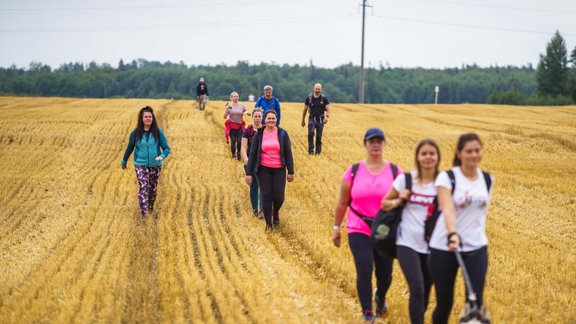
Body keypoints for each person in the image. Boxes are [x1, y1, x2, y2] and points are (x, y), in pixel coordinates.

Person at [331, 128, 403, 323]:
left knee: (385, 274)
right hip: (358, 227)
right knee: (364, 268)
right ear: (365, 144)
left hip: (384, 229)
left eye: (380, 141)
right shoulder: (353, 171)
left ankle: (380, 296)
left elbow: (405, 202)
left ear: (384, 144)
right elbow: (342, 202)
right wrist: (336, 228)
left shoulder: (396, 173)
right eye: (372, 141)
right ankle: (367, 312)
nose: (376, 145)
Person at [428, 133, 494, 324]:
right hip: (444, 246)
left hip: (476, 246)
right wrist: (452, 234)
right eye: (469, 151)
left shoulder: (488, 180)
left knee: (475, 302)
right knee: (444, 303)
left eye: (477, 150)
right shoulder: (447, 177)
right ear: (459, 153)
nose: (474, 155)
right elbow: (447, 208)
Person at [381, 139, 441, 324]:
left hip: (433, 245)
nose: (428, 157)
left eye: (432, 153)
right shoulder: (405, 180)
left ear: (438, 157)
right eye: (424, 153)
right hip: (406, 242)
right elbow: (384, 204)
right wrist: (399, 200)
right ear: (417, 157)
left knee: (426, 292)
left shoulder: (444, 183)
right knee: (417, 288)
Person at [245, 110, 294, 230]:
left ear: (276, 120)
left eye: (273, 118)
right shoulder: (259, 134)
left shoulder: (282, 133)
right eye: (268, 118)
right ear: (264, 120)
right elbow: (252, 154)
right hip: (263, 169)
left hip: (279, 169)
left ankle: (275, 212)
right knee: (266, 196)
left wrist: (291, 171)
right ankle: (268, 224)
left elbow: (288, 153)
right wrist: (248, 173)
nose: (271, 121)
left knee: (279, 197)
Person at [121, 106, 171, 217]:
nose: (148, 118)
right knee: (144, 187)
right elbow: (130, 148)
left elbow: (167, 148)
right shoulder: (135, 133)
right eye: (146, 117)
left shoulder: (158, 132)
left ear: (153, 118)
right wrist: (124, 161)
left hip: (155, 165)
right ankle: (144, 214)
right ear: (141, 118)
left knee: (152, 190)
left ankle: (150, 207)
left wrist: (162, 156)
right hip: (140, 164)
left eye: (150, 117)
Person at [241, 108, 264, 217]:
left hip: (263, 162)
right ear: (252, 117)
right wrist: (245, 158)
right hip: (251, 162)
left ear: (262, 117)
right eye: (256, 116)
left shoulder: (265, 130)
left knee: (263, 186)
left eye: (259, 116)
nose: (257, 118)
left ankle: (262, 210)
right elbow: (243, 147)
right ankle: (255, 209)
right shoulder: (248, 131)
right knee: (254, 186)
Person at [301, 83, 331, 155]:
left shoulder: (324, 98)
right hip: (311, 118)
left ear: (321, 90)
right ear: (313, 89)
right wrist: (303, 120)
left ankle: (318, 153)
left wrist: (327, 117)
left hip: (321, 119)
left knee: (319, 136)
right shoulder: (309, 98)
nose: (317, 90)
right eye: (316, 89)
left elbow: (328, 108)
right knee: (310, 134)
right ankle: (311, 151)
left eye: (319, 89)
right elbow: (305, 109)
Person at [224, 91, 247, 160]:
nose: (236, 97)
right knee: (233, 141)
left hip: (240, 126)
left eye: (237, 96)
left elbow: (246, 111)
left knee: (240, 141)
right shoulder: (230, 107)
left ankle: (239, 153)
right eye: (234, 96)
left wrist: (247, 113)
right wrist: (226, 109)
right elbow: (225, 117)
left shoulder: (242, 106)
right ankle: (233, 154)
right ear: (231, 98)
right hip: (232, 126)